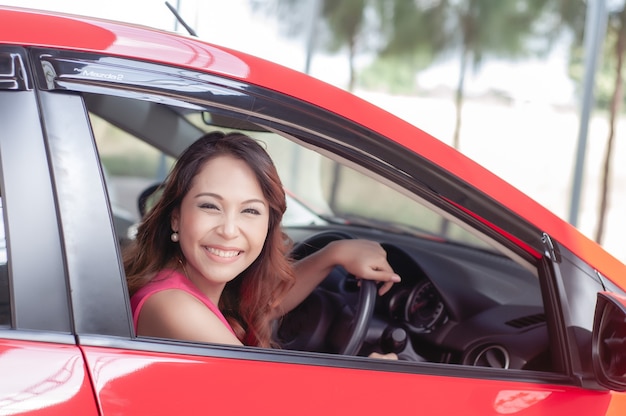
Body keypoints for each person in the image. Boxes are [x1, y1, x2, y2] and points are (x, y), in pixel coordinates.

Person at [124, 131, 401, 355]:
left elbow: (264, 306)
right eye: (210, 206)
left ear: (268, 226)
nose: (229, 230)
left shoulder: (191, 285)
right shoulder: (174, 306)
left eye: (250, 211)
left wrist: (333, 254)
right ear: (176, 218)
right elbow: (269, 395)